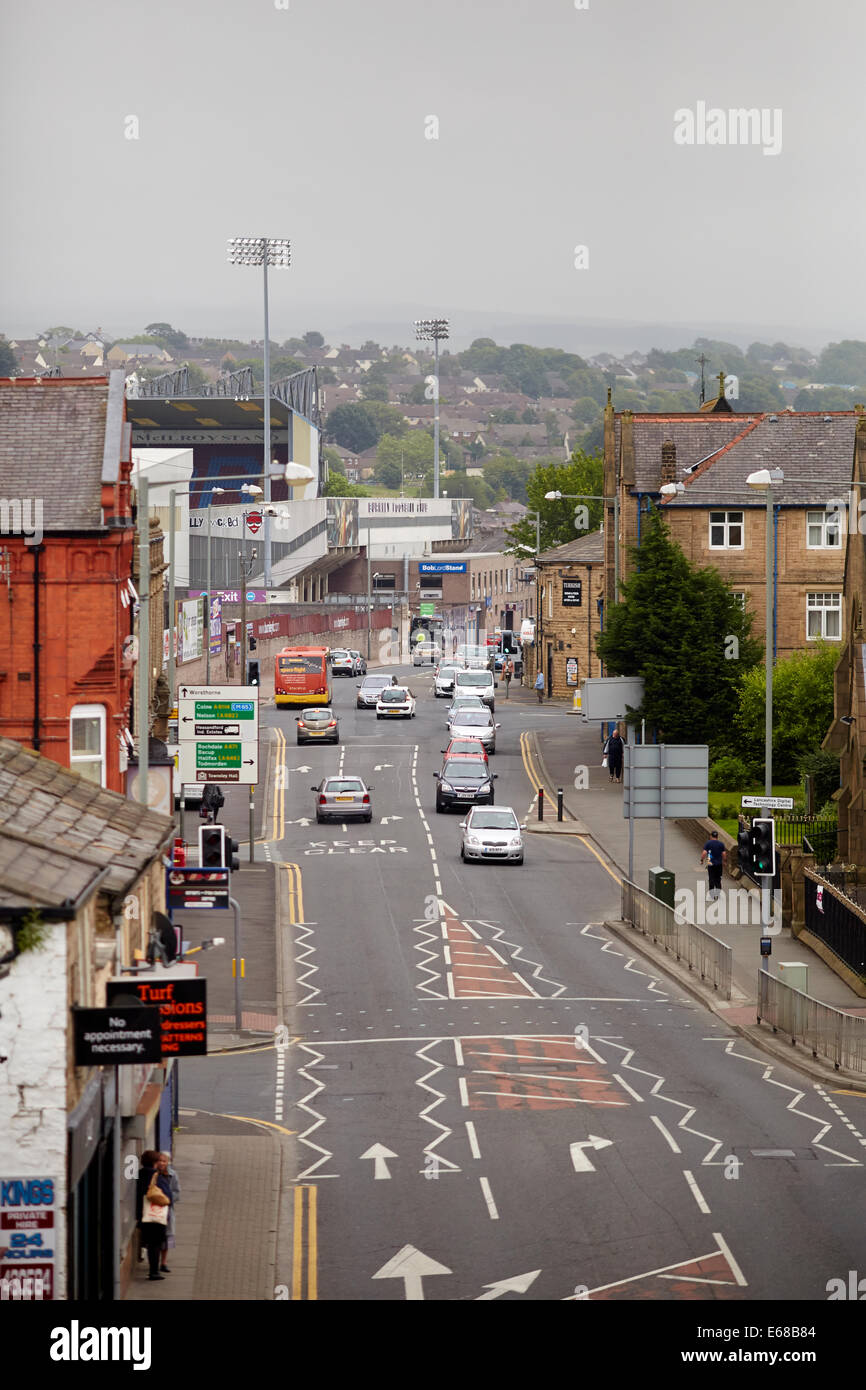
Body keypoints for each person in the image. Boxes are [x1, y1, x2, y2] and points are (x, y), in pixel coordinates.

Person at [136, 1150, 172, 1281]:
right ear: (154, 1163)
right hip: (156, 1216)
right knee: (155, 1244)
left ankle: (153, 1271)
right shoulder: (156, 1176)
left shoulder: (138, 1175)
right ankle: (154, 1272)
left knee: (150, 1243)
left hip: (143, 1215)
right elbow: (167, 1196)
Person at [157, 1151, 180, 1273]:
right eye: (159, 1160)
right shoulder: (153, 1174)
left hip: (167, 1211)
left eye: (164, 1161)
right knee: (156, 1238)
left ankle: (163, 1262)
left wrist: (168, 1198)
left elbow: (177, 1192)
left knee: (166, 1237)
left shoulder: (172, 1175)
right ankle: (155, 1262)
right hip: (154, 1210)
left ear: (168, 1162)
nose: (161, 1163)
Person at [701, 829, 727, 901]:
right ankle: (718, 895)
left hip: (711, 864)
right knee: (718, 880)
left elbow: (704, 853)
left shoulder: (708, 843)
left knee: (711, 879)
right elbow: (724, 854)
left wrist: (701, 860)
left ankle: (712, 896)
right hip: (719, 864)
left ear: (711, 836)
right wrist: (724, 861)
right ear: (717, 836)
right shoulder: (721, 844)